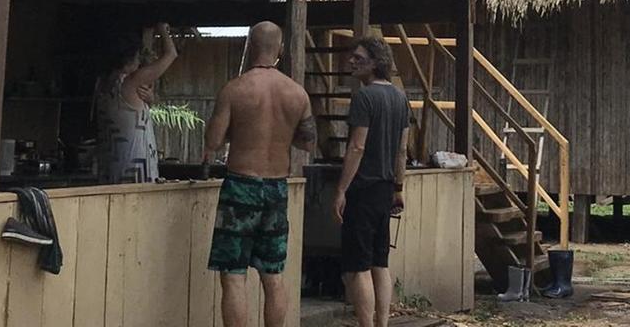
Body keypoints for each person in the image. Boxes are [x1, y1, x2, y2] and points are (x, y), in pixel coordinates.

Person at [203, 21, 317, 327]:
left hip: (241, 184)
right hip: (276, 187)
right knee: (273, 274)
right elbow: (308, 141)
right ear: (280, 49)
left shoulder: (234, 89)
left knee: (233, 275)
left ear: (250, 46)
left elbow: (212, 142)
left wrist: (240, 132)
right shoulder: (297, 93)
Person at [334, 35, 409, 327]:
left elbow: (357, 146)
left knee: (359, 266)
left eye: (359, 58)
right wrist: (399, 188)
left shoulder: (364, 97)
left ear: (376, 63)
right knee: (381, 263)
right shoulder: (400, 97)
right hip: (386, 187)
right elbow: (402, 150)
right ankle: (382, 323)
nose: (352, 61)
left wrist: (341, 189)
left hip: (363, 188)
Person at [95, 23, 179, 184]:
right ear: (132, 57)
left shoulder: (103, 84)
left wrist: (151, 102)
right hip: (136, 171)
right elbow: (171, 54)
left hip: (113, 169)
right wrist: (161, 28)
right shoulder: (131, 81)